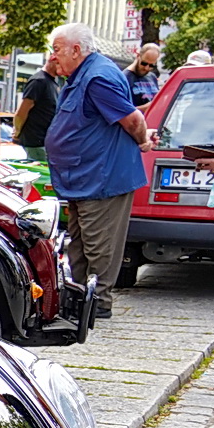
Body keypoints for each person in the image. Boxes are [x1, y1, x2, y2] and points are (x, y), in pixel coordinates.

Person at [45, 21, 153, 321]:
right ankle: (80, 298)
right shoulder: (85, 74)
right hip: (85, 177)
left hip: (101, 178)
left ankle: (99, 303)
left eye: (56, 50)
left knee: (99, 243)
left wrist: (143, 141)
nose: (53, 57)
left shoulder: (98, 77)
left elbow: (132, 119)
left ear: (76, 50)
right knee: (80, 241)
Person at [12, 54, 62, 160]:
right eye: (60, 63)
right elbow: (22, 111)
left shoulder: (53, 83)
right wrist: (17, 132)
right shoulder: (39, 81)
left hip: (46, 141)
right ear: (53, 60)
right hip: (36, 142)